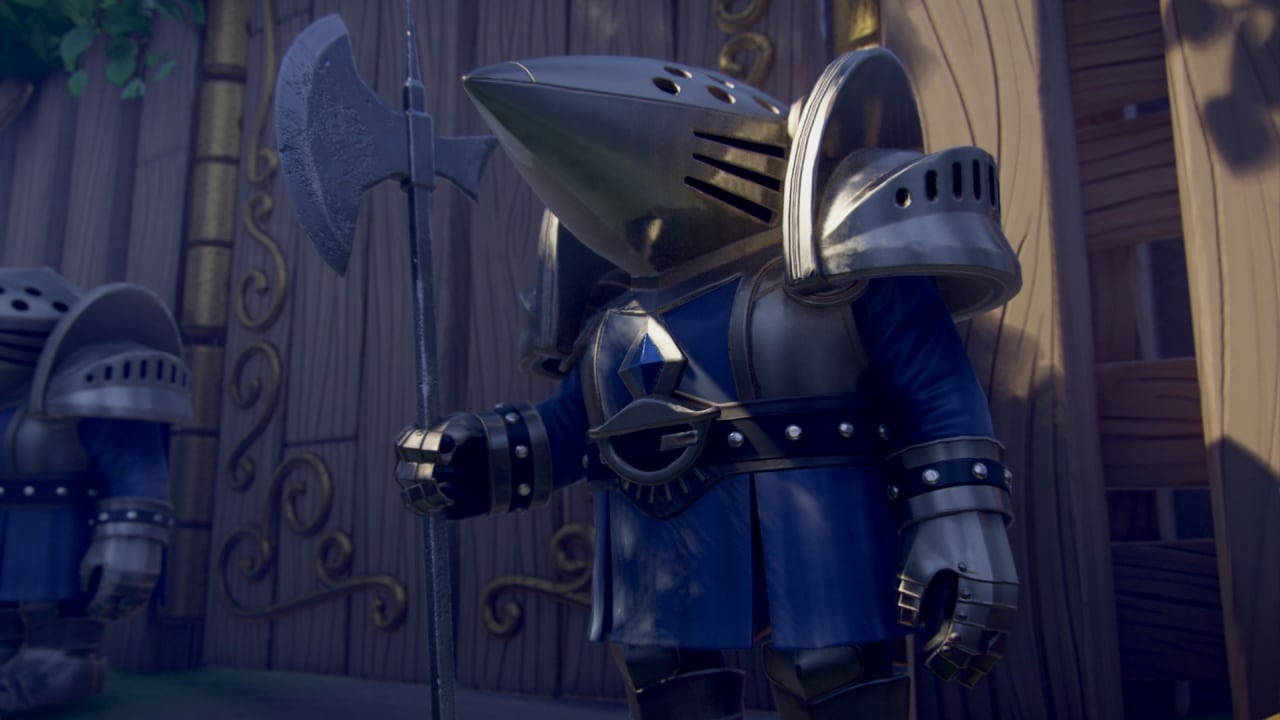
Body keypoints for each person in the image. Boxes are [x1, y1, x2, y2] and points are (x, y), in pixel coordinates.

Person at [397, 49, 1021, 719]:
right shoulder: (614, 321)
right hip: (661, 546)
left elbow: (934, 391)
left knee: (830, 669)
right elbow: (570, 427)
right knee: (659, 673)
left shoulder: (838, 267)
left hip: (821, 532)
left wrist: (961, 524)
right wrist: (477, 452)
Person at [0, 267, 191, 712]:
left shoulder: (90, 388)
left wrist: (130, 545)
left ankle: (61, 665)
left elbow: (137, 473)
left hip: (61, 534)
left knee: (55, 616)